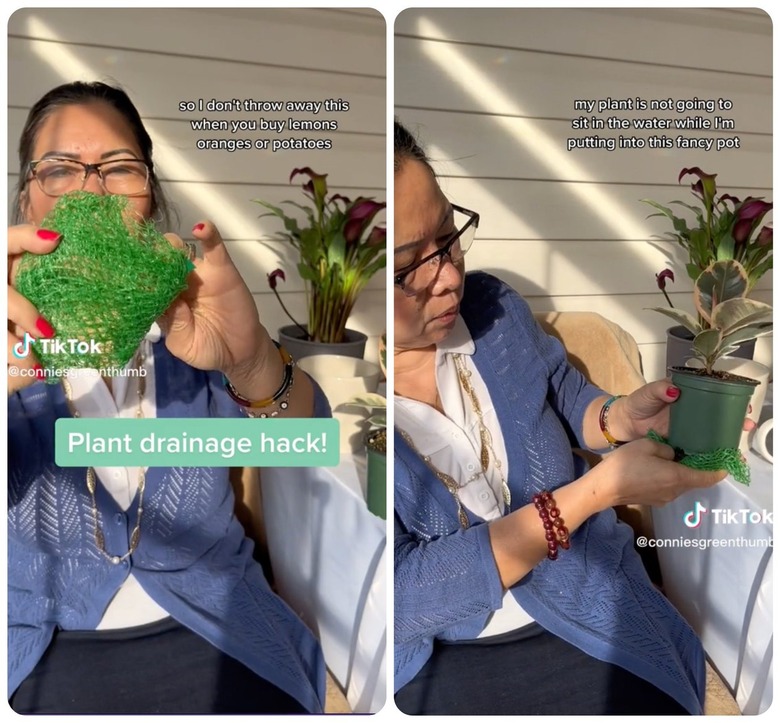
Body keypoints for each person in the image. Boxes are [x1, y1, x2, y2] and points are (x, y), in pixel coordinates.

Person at [7, 81, 328, 714]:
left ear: (150, 200)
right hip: (46, 641)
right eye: (61, 170)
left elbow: (303, 442)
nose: (93, 192)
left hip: (227, 626)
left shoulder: (190, 321)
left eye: (119, 169)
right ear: (27, 201)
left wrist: (253, 358)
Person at [392, 119, 731, 716]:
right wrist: (593, 494)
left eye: (447, 237)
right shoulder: (348, 399)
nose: (447, 277)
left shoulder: (494, 311)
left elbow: (565, 397)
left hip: (589, 588)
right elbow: (398, 598)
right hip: (443, 656)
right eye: (408, 267)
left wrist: (625, 416)